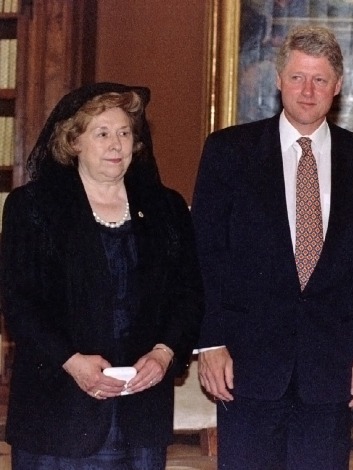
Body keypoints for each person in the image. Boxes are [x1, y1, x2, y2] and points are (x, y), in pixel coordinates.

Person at [192, 25, 353, 469]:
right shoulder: (229, 151)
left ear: (337, 86)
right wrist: (209, 342)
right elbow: (206, 254)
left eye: (320, 79)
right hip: (245, 363)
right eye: (298, 77)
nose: (308, 91)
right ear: (278, 81)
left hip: (332, 367)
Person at [0, 82, 205, 468]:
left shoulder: (166, 208)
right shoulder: (33, 207)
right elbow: (20, 301)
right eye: (103, 133)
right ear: (73, 141)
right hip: (58, 412)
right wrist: (72, 361)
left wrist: (164, 354)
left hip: (140, 414)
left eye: (126, 133)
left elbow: (189, 295)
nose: (117, 144)